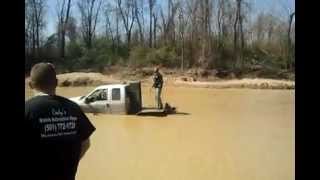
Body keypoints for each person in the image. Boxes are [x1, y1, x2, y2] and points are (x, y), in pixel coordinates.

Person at [25, 63, 96, 180]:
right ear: (56, 82)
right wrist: (69, 162)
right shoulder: (74, 108)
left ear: (30, 85)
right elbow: (86, 143)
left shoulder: (27, 109)